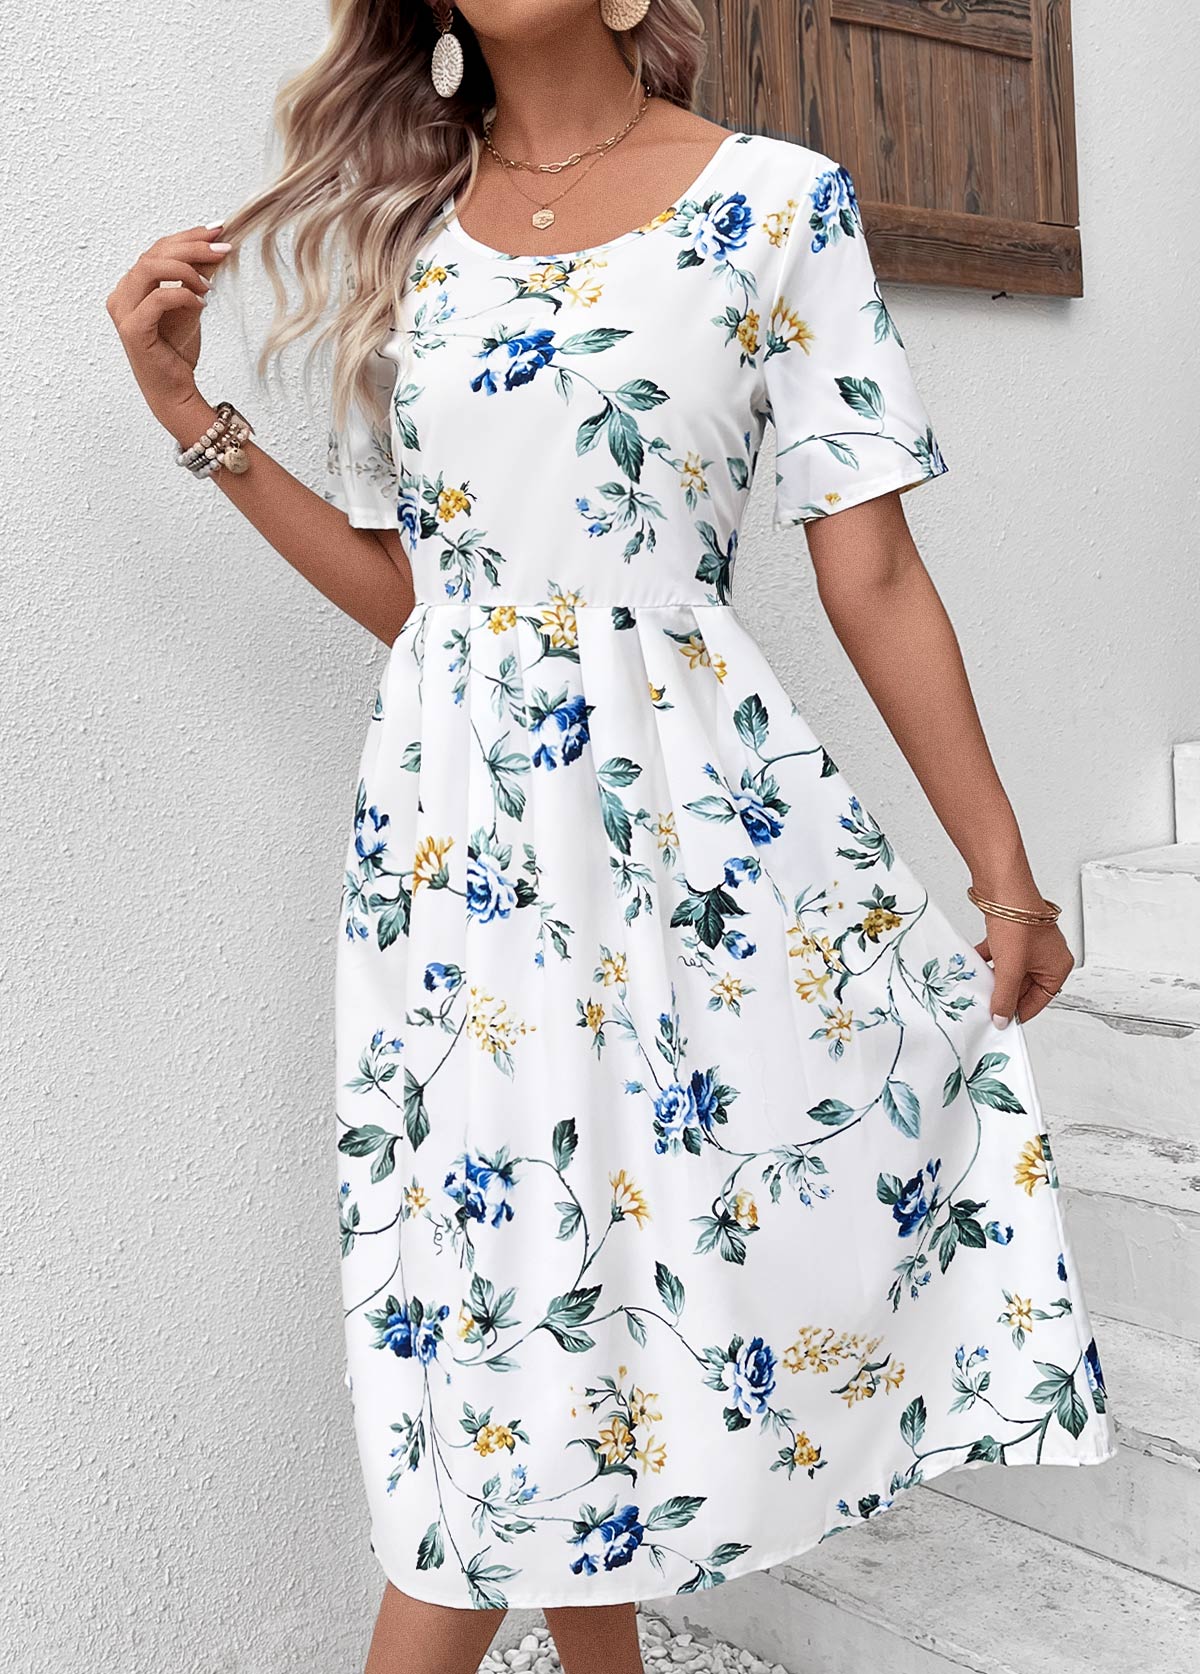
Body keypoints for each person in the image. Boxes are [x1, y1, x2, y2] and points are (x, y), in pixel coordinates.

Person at [105, 3, 1118, 1671]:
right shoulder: (405, 241)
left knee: (565, 1343)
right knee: (512, 1344)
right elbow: (424, 606)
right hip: (459, 872)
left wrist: (1000, 869)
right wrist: (190, 416)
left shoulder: (777, 203)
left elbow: (870, 569)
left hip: (686, 852)